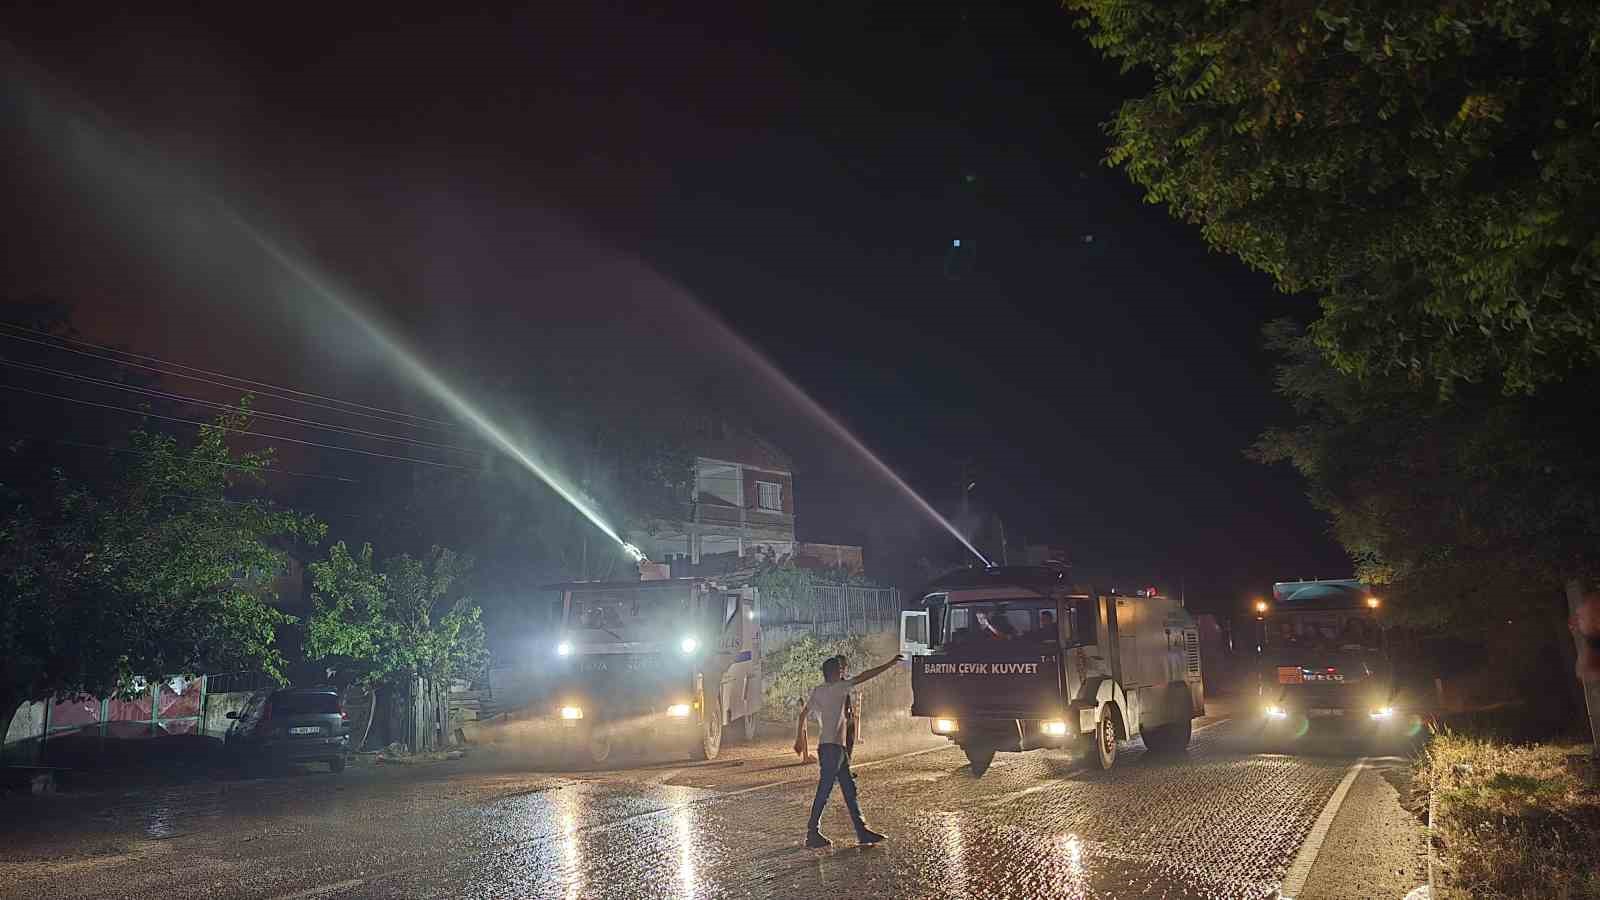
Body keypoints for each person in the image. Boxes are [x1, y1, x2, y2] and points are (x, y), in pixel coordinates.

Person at [794, 652, 902, 848]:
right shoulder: (840, 688)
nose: (843, 672)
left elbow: (803, 715)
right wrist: (890, 663)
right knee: (825, 791)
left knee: (849, 791)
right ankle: (812, 832)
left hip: (833, 748)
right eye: (840, 669)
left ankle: (861, 831)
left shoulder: (819, 691)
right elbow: (867, 675)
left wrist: (798, 740)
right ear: (835, 673)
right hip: (833, 750)